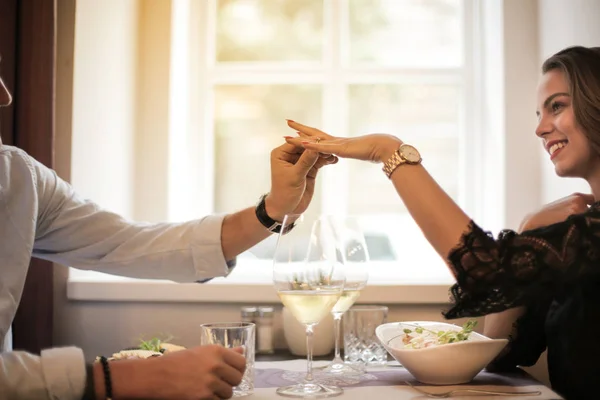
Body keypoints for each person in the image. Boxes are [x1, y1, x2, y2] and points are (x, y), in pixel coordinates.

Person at [285, 46, 600, 399]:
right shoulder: (576, 235)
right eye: (539, 113)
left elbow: (482, 269)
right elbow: (503, 350)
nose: (541, 128)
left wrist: (388, 151)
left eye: (556, 106)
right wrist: (530, 227)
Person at [0, 73, 337, 400]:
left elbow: (130, 244)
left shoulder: (17, 177)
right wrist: (118, 378)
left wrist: (274, 210)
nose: (5, 95)